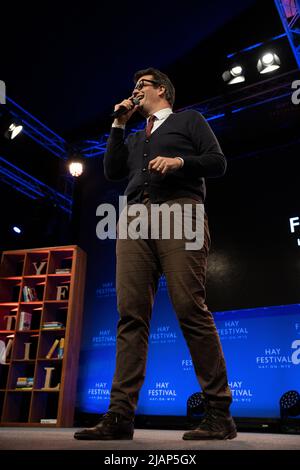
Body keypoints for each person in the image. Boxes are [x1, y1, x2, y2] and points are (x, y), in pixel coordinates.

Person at [74, 67, 236, 441]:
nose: (134, 91)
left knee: (189, 308)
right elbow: (113, 171)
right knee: (130, 316)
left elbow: (218, 162)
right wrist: (118, 125)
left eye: (140, 86)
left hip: (182, 213)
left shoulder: (189, 120)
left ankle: (218, 413)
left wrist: (180, 163)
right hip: (133, 220)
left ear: (161, 90)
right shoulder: (133, 137)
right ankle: (119, 416)